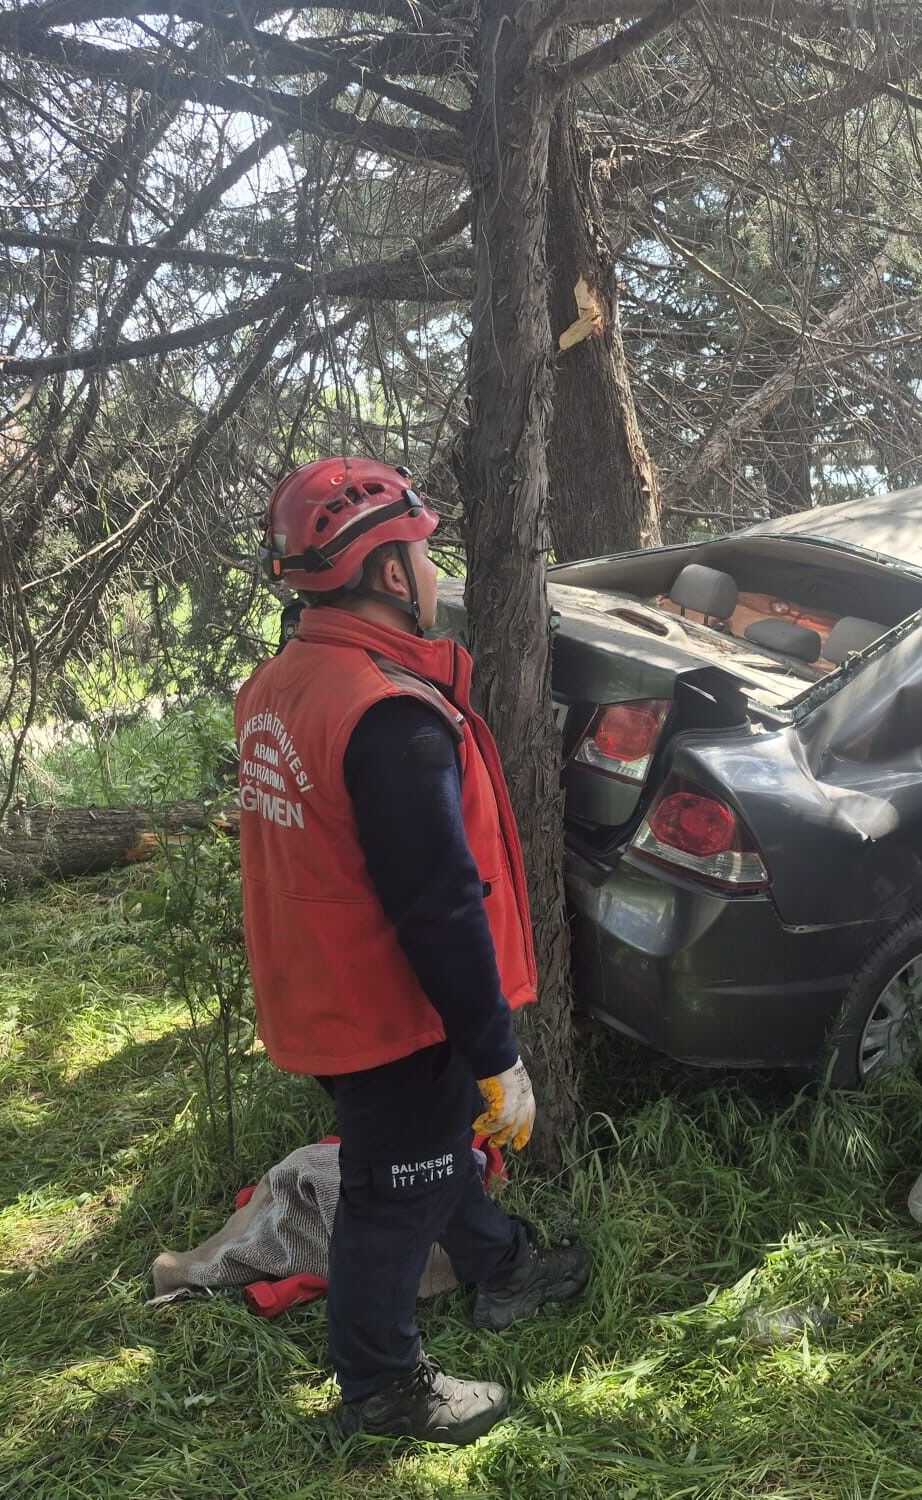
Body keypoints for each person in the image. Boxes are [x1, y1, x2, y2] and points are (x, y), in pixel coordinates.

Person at [236, 457, 591, 1444]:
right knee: (392, 1197)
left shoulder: (281, 683)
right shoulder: (388, 716)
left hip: (318, 986)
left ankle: (500, 1264)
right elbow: (438, 905)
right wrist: (494, 1051)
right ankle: (383, 1387)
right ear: (390, 572)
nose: (434, 572)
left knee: (424, 1155)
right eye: (425, 555)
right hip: (388, 1009)